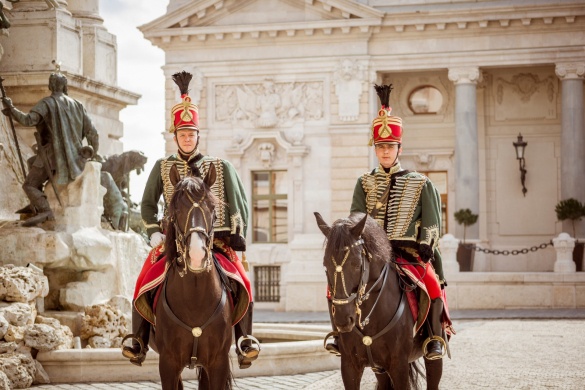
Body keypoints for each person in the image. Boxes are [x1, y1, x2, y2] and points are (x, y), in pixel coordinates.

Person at [122, 71, 260, 368]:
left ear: (199, 136)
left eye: (192, 133)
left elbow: (239, 204)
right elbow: (147, 203)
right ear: (175, 137)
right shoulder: (163, 166)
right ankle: (139, 339)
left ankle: (243, 339)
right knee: (144, 280)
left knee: (242, 281)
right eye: (182, 134)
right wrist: (153, 232)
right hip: (173, 242)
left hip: (215, 241)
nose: (187, 138)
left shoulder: (218, 167)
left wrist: (235, 237)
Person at [325, 84, 448, 360]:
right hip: (373, 255)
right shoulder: (364, 182)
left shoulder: (420, 183)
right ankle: (339, 335)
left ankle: (434, 337)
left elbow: (432, 222)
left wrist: (427, 244)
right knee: (336, 284)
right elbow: (356, 218)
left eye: (389, 147)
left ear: (399, 147)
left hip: (407, 253)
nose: (384, 152)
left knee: (431, 283)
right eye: (380, 147)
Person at [2, 71, 99, 227]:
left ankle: (45, 210)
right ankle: (36, 201)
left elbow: (28, 120)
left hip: (54, 156)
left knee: (29, 185)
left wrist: (12, 109)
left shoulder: (47, 103)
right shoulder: (78, 105)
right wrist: (94, 153)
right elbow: (93, 133)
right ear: (65, 86)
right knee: (31, 161)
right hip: (75, 157)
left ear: (50, 86)